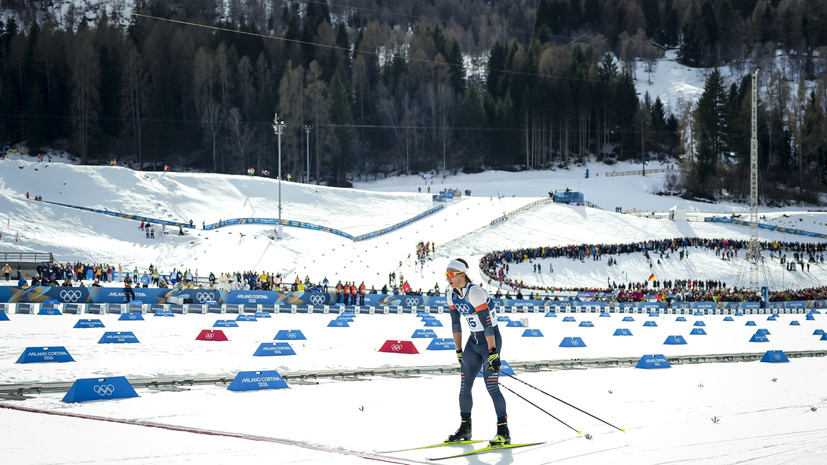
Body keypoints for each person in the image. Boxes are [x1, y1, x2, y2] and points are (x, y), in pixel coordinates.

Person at [444, 258, 509, 446]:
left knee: (492, 386)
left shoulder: (476, 293)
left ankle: (504, 431)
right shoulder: (451, 295)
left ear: (461, 275)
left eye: (451, 274)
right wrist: (458, 350)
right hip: (473, 342)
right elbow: (456, 324)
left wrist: (494, 352)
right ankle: (465, 428)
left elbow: (488, 325)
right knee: (465, 386)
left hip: (490, 341)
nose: (448, 278)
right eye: (446, 275)